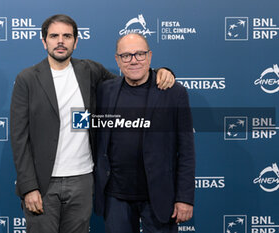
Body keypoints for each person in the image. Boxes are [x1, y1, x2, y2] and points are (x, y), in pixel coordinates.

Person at [10, 14, 175, 233]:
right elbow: (19, 138)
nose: (61, 41)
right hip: (43, 184)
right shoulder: (27, 78)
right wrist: (28, 187)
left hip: (82, 180)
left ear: (76, 42)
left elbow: (129, 80)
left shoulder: (89, 70)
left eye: (67, 36)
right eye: (54, 36)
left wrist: (161, 72)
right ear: (44, 41)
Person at [94, 33, 195, 233]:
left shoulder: (173, 93)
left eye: (139, 54)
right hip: (115, 196)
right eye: (126, 56)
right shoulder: (105, 91)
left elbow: (186, 151)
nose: (134, 61)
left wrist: (184, 198)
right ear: (117, 60)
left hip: (158, 196)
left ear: (149, 56)